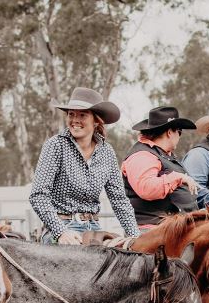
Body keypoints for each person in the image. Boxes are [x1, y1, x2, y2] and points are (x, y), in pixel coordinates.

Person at [28, 87, 140, 244]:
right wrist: (61, 232)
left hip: (94, 229)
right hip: (61, 227)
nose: (75, 120)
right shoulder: (56, 145)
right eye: (71, 114)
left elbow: (119, 199)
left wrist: (135, 237)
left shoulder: (107, 152)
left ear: (96, 120)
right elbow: (38, 195)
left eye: (82, 114)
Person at [121, 106, 199, 228]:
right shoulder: (142, 155)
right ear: (169, 133)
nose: (179, 136)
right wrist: (177, 177)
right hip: (151, 230)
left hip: (169, 227)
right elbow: (146, 188)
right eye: (179, 131)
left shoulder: (163, 155)